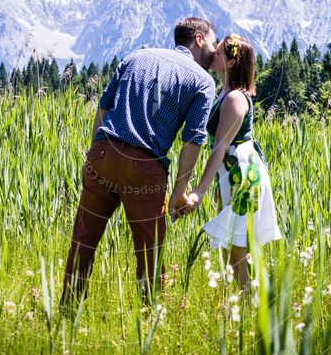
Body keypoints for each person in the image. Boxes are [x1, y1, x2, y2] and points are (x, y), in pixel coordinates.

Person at [61, 17, 217, 308]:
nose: (215, 49)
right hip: (145, 166)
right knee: (150, 252)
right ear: (198, 39)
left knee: (84, 239)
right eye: (212, 42)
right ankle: (149, 320)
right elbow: (193, 140)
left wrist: (95, 150)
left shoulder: (136, 56)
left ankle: (68, 311)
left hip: (104, 153)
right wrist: (180, 191)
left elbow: (104, 107)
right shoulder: (203, 82)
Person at [179, 34, 281, 287]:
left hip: (242, 175)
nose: (213, 52)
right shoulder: (227, 93)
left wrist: (199, 191)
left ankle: (251, 306)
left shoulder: (235, 98)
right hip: (232, 174)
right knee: (231, 248)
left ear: (232, 62)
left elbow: (221, 147)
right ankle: (243, 306)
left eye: (220, 51)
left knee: (237, 249)